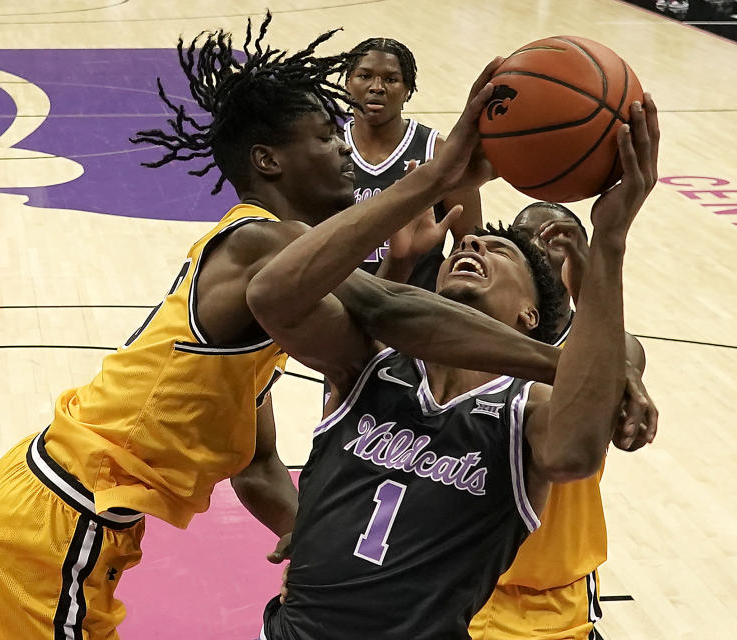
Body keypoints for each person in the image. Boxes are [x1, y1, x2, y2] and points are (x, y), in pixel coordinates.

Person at [0, 15, 569, 640]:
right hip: (69, 510)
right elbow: (387, 311)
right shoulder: (262, 239)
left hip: (49, 499)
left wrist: (312, 530)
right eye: (327, 137)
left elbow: (256, 464)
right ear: (269, 160)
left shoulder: (266, 271)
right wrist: (436, 178)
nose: (344, 150)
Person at [248, 68, 660, 640]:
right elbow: (273, 292)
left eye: (498, 250)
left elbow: (576, 449)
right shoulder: (369, 364)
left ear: (531, 315)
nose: (468, 241)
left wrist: (609, 242)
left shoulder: (531, 410)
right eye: (465, 243)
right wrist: (433, 178)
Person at [468, 202, 648, 640]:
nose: (543, 248)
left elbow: (614, 364)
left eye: (560, 239)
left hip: (553, 597)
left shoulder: (612, 349)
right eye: (526, 239)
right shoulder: (476, 331)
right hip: (465, 582)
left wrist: (594, 286)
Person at [342, 37, 482, 289]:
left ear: (408, 90)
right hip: (337, 305)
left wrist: (441, 295)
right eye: (364, 76)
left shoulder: (440, 152)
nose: (377, 87)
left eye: (391, 79)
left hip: (413, 308)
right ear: (347, 82)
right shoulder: (326, 148)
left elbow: (470, 242)